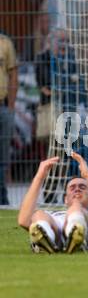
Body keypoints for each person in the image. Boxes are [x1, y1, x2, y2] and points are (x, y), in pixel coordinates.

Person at [17, 152, 88, 254]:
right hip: (54, 231)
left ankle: (75, 235)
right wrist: (40, 176)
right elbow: (23, 221)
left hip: (85, 234)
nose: (77, 189)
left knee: (76, 207)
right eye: (72, 187)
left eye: (82, 187)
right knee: (39, 214)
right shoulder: (51, 214)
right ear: (65, 199)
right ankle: (46, 238)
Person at [0, 33, 18, 205]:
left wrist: (11, 107)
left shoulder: (5, 43)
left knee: (3, 155)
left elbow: (13, 75)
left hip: (3, 105)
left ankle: (2, 195)